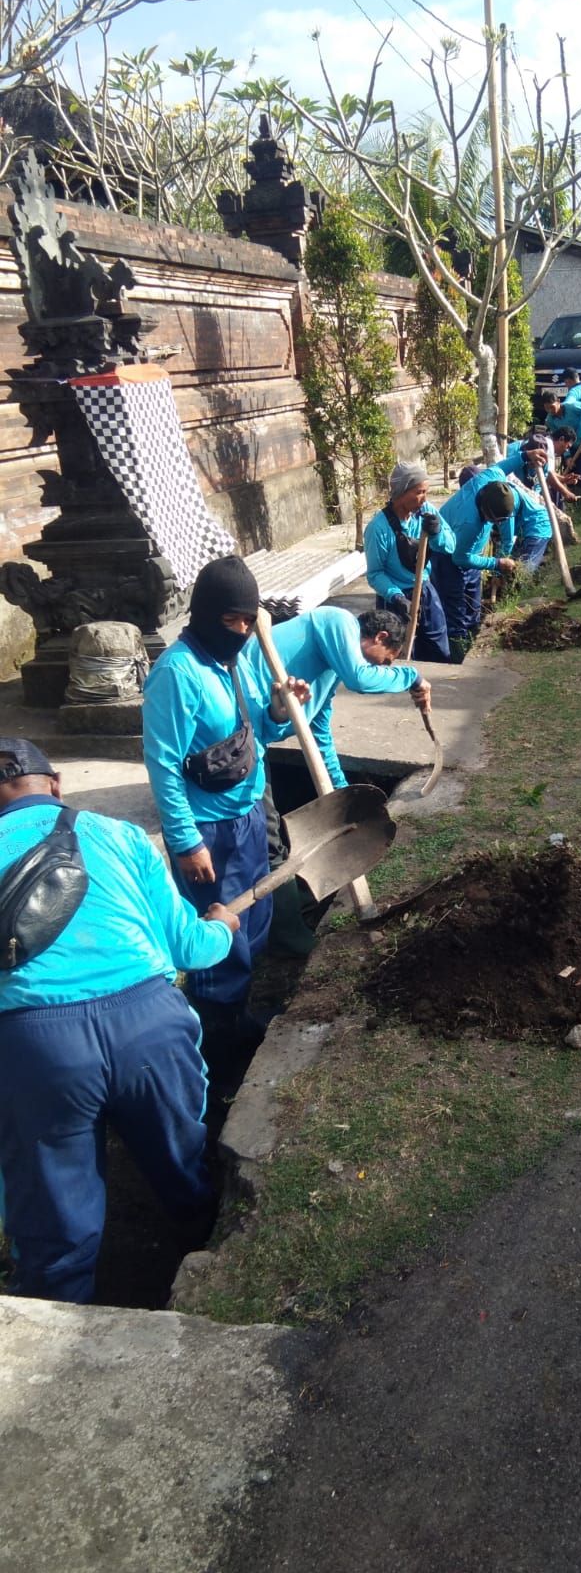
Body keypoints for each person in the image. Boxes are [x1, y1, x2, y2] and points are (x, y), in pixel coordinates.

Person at [0, 737, 239, 1303]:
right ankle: (201, 1258)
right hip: (151, 1026)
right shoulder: (120, 835)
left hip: (37, 1048)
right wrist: (223, 927)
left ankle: (57, 1308)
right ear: (56, 784)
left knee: (53, 1211)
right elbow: (190, 947)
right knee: (180, 1159)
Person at [142, 555, 309, 1037]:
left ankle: (242, 1010)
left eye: (248, 620)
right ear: (205, 614)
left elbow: (254, 734)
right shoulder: (177, 673)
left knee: (254, 915)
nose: (240, 630)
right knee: (220, 932)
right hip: (207, 829)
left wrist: (278, 711)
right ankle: (218, 1032)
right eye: (230, 619)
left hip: (249, 815)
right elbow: (163, 764)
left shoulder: (236, 662)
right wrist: (185, 841)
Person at [244, 606, 432, 794]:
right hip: (238, 720)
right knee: (256, 804)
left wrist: (340, 788)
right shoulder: (338, 620)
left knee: (261, 805)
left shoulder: (333, 667)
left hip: (253, 737)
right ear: (380, 637)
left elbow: (319, 729)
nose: (381, 667)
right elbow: (360, 679)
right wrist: (412, 677)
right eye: (386, 661)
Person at [364, 461, 456, 664]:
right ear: (401, 492)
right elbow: (375, 574)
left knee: (438, 649)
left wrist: (437, 533)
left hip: (425, 590)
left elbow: (450, 546)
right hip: (395, 600)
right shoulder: (378, 528)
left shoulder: (426, 513)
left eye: (426, 492)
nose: (424, 498)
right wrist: (396, 597)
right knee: (400, 656)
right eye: (419, 492)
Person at [430, 472, 517, 662]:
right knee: (456, 615)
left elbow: (507, 465)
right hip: (447, 560)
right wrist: (496, 563)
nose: (497, 524)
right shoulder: (470, 523)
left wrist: (526, 457)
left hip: (470, 558)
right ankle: (457, 660)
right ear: (485, 511)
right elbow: (460, 558)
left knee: (473, 609)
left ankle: (473, 650)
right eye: (495, 520)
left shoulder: (493, 479)